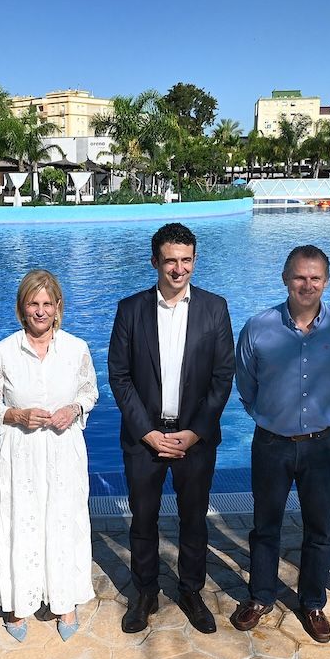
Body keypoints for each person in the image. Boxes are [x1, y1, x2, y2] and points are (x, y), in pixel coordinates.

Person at [231, 245, 330, 642]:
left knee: (319, 528)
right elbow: (246, 384)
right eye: (299, 277)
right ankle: (261, 597)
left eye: (315, 277)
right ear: (285, 278)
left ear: (326, 280)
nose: (307, 284)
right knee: (264, 526)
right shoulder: (258, 327)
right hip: (271, 443)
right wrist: (271, 416)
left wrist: (326, 411)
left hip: (322, 445)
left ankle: (313, 603)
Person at [107, 222, 235, 635]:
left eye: (185, 261)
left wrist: (195, 432)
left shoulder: (215, 308)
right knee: (142, 520)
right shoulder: (131, 309)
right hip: (145, 438)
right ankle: (145, 592)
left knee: (193, 519)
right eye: (170, 261)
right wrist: (146, 431)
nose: (178, 269)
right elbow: (119, 375)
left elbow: (222, 377)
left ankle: (191, 590)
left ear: (195, 261)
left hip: (194, 439)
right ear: (155, 262)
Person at [0, 269, 99, 643]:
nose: (40, 310)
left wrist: (74, 410)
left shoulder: (77, 348)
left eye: (47, 303)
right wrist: (16, 415)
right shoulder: (2, 351)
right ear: (22, 308)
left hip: (64, 448)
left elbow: (90, 392)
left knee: (64, 520)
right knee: (22, 520)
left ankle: (65, 600)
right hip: (21, 450)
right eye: (33, 303)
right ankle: (19, 602)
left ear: (58, 307)